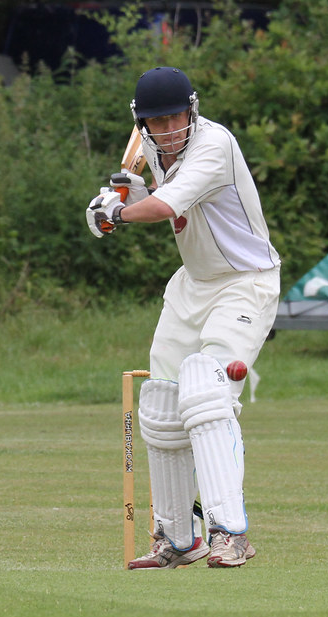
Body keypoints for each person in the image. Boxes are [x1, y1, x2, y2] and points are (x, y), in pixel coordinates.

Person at [86, 67, 280, 568]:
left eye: (177, 117)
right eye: (158, 121)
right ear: (143, 124)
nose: (169, 129)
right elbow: (158, 188)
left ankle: (230, 532)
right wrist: (129, 189)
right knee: (161, 402)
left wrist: (115, 213)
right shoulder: (153, 144)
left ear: (192, 111)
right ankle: (177, 537)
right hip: (192, 284)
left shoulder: (214, 145)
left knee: (207, 389)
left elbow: (165, 204)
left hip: (244, 281)